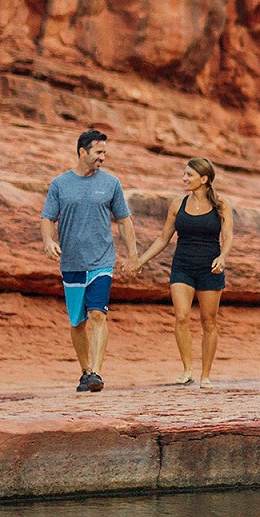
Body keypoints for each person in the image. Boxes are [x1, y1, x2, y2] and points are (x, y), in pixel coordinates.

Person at [40, 129, 138, 392]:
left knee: (97, 314)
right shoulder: (60, 184)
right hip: (72, 263)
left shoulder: (111, 183)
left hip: (101, 260)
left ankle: (96, 372)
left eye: (105, 152)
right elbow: (48, 217)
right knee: (77, 321)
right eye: (98, 152)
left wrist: (133, 254)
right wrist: (48, 241)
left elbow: (124, 220)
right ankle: (85, 371)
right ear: (82, 152)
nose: (103, 157)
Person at [128, 157, 234, 387]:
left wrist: (223, 256)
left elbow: (228, 235)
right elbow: (163, 238)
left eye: (189, 175)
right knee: (182, 316)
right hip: (182, 267)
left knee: (209, 321)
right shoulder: (177, 205)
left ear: (204, 179)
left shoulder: (221, 205)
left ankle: (205, 375)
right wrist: (140, 260)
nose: (184, 179)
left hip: (210, 269)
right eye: (184, 174)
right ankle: (187, 370)